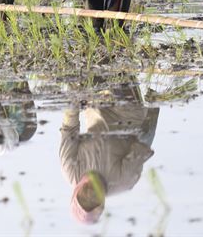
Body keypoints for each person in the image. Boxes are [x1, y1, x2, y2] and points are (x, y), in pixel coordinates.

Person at [59, 80, 159, 224]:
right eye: (93, 201)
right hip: (128, 113)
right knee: (116, 74)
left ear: (76, 194)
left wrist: (74, 102)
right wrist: (153, 107)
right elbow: (142, 144)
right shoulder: (124, 181)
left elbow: (69, 129)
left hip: (94, 105)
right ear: (102, 202)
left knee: (86, 71)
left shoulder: (70, 169)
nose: (90, 194)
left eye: (83, 198)